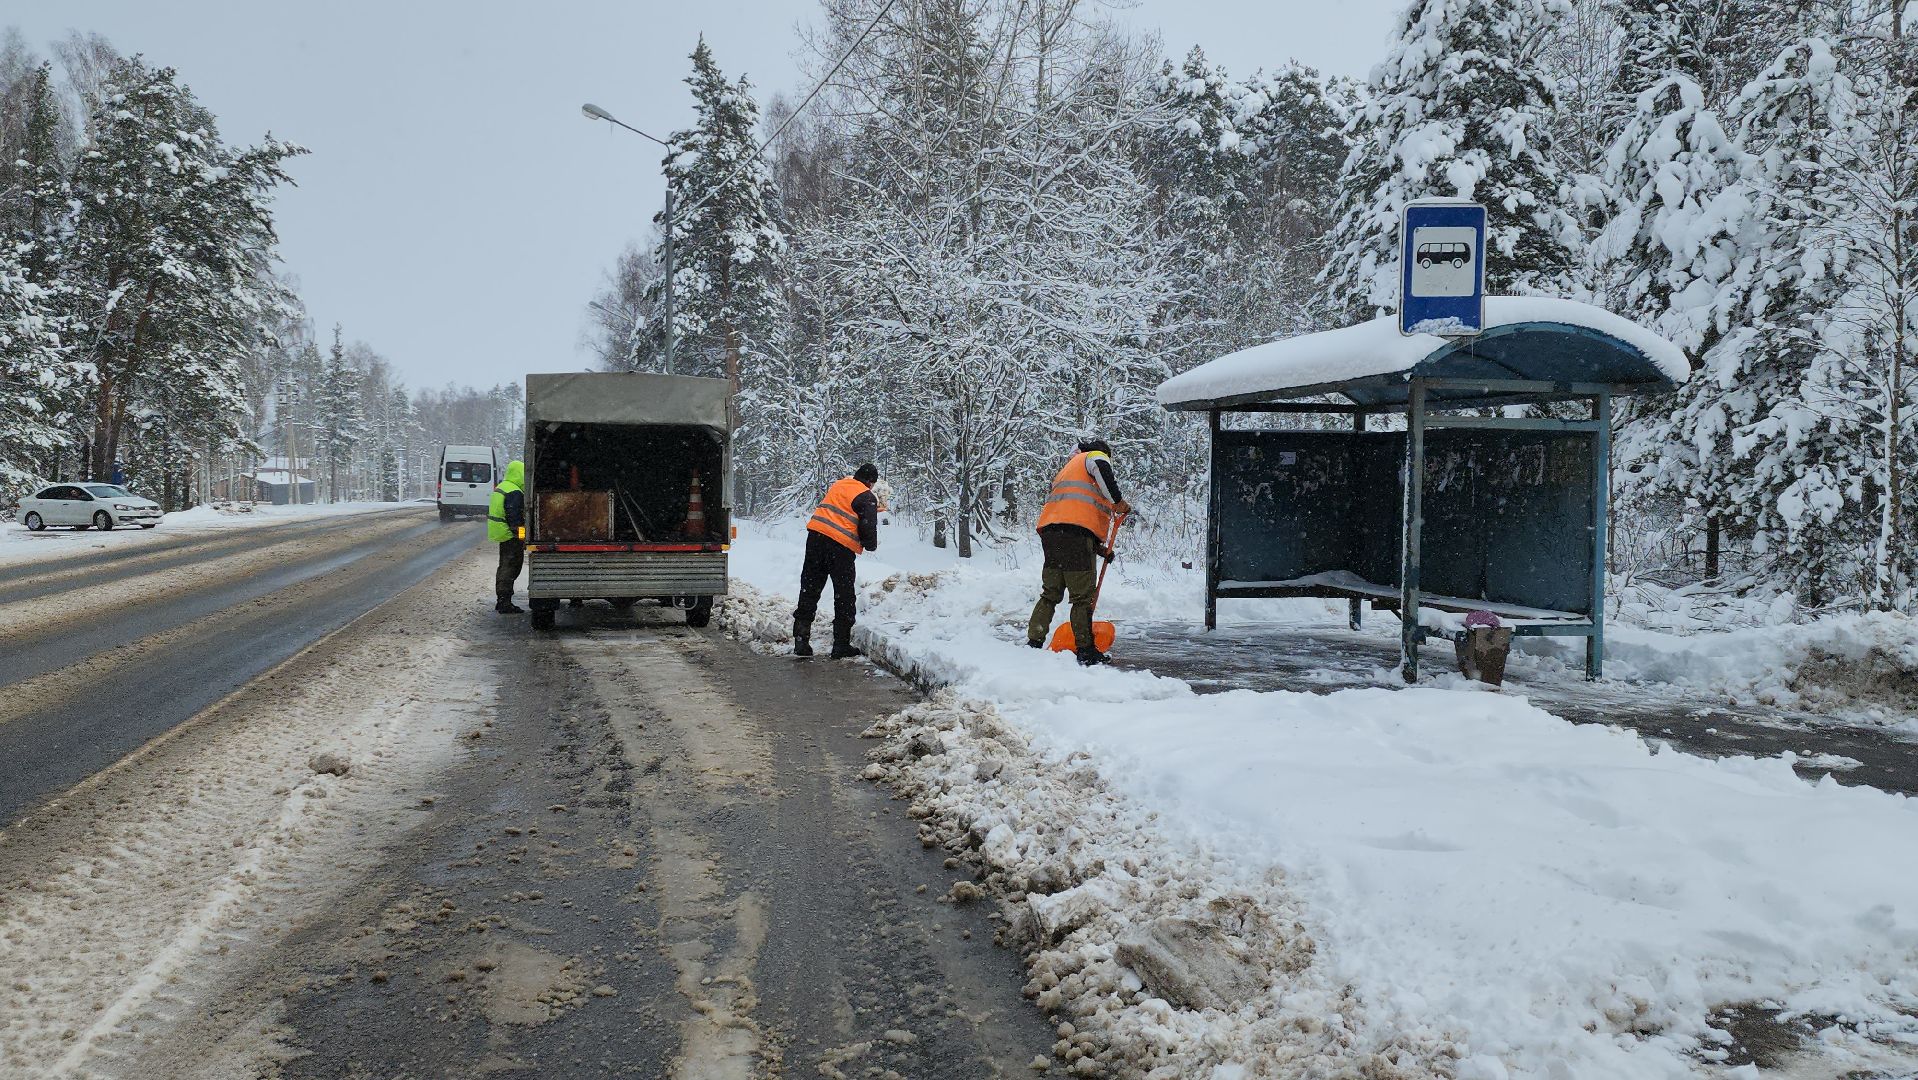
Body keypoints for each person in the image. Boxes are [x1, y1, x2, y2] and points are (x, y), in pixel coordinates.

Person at [1027, 438, 1130, 665]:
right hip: (1075, 536)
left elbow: (1069, 517)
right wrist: (1119, 502)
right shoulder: (1094, 457)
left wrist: (1099, 549)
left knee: (1050, 593)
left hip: (1052, 534)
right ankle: (1085, 650)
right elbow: (1102, 474)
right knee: (1082, 598)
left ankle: (1033, 642)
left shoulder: (1066, 471)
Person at [794, 463, 880, 658]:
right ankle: (841, 645)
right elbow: (868, 528)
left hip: (815, 539)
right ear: (871, 482)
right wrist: (871, 544)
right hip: (839, 548)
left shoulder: (840, 484)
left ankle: (801, 640)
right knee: (844, 595)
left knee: (810, 587)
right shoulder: (867, 496)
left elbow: (843, 508)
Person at [488, 460, 527, 614]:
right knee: (511, 566)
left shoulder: (502, 487)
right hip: (510, 534)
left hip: (501, 532)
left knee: (504, 565)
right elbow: (515, 519)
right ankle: (505, 602)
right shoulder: (515, 492)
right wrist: (523, 537)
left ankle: (502, 600)